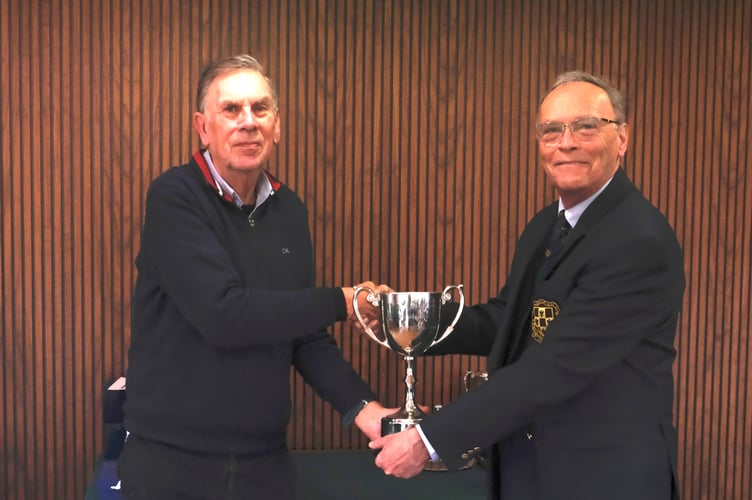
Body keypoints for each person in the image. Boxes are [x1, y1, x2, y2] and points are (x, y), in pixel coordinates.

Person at [367, 71, 685, 500]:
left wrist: (428, 439)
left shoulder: (637, 241)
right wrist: (407, 320)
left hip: (606, 478)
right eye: (551, 130)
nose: (566, 142)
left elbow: (555, 366)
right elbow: (510, 321)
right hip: (534, 472)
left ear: (622, 138)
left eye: (586, 126)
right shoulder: (546, 226)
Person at [119, 54, 393, 500]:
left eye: (260, 109)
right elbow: (223, 315)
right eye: (231, 110)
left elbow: (305, 335)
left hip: (264, 464)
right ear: (203, 128)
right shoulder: (175, 197)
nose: (248, 122)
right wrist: (345, 301)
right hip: (172, 467)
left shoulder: (290, 210)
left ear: (277, 125)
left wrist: (367, 409)